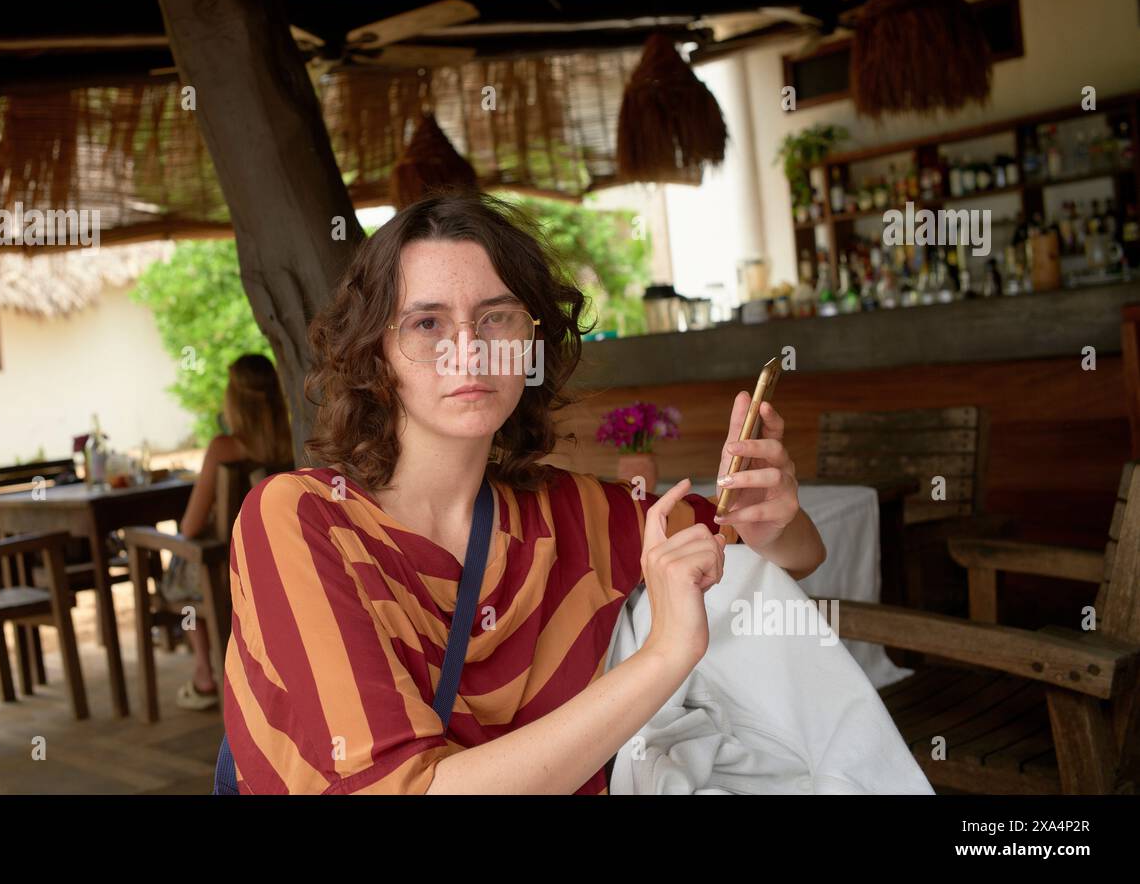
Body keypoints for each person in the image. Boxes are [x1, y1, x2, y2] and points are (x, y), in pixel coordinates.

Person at [223, 192, 826, 792]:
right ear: (377, 355)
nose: (470, 348)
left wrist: (771, 522)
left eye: (496, 316)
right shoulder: (299, 519)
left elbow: (786, 553)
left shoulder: (577, 514)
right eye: (427, 323)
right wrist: (665, 655)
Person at [164, 353, 294, 710]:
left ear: (234, 399)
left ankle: (204, 674)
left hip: (230, 571)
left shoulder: (224, 448)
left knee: (182, 562)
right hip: (283, 565)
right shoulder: (295, 442)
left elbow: (189, 526)